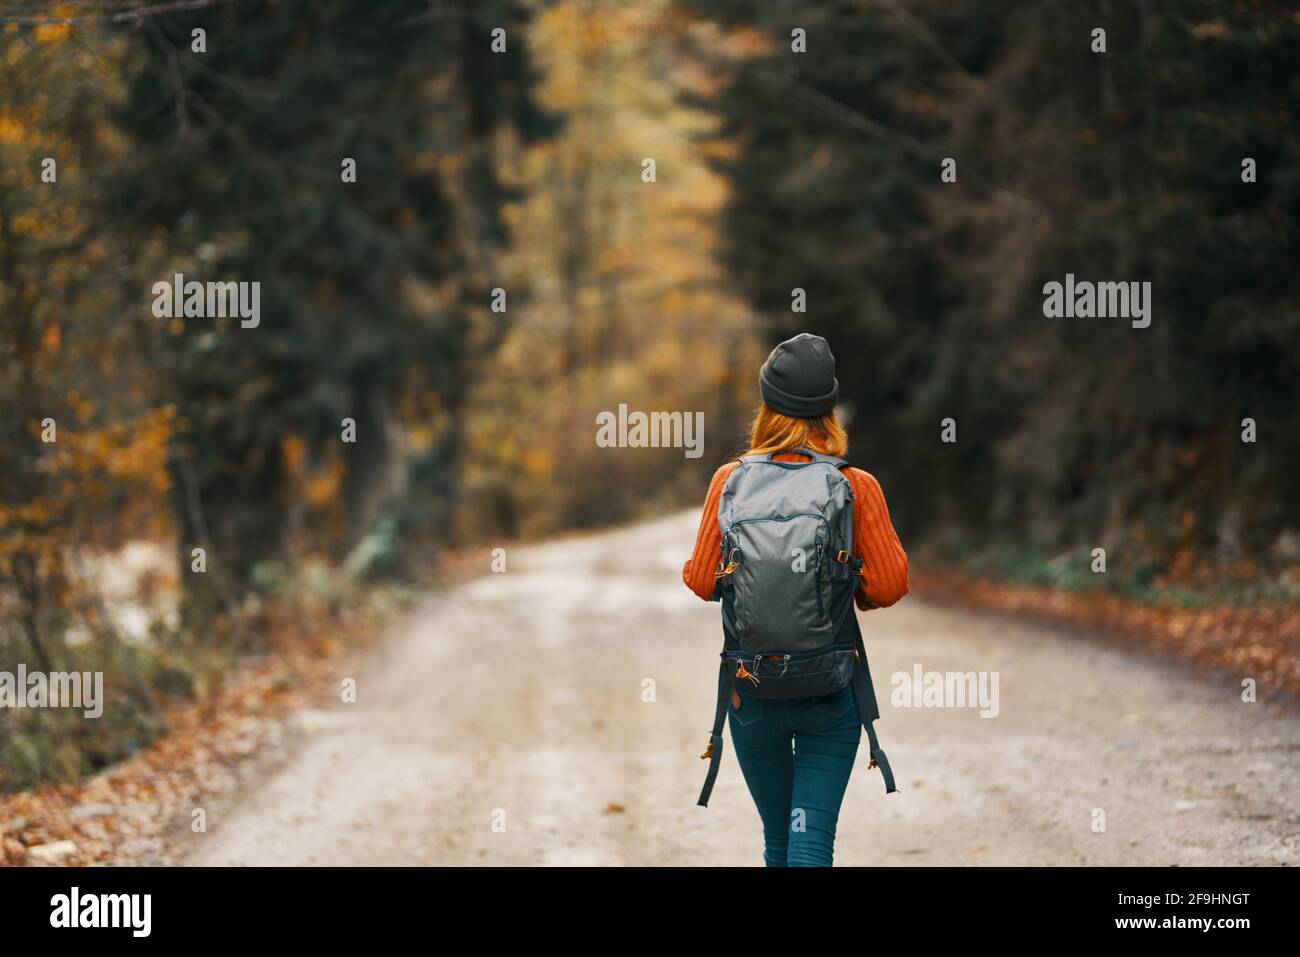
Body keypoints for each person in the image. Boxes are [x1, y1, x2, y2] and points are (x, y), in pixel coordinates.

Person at [682, 332, 909, 866]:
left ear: (766, 409)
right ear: (829, 412)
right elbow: (890, 583)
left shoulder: (729, 481)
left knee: (778, 842)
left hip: (753, 691)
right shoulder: (856, 485)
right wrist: (844, 589)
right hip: (829, 689)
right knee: (810, 844)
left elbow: (699, 579)